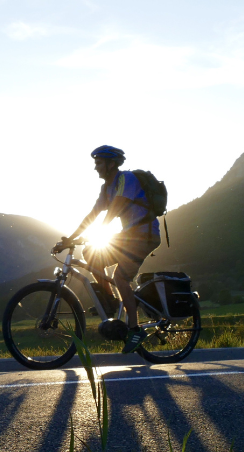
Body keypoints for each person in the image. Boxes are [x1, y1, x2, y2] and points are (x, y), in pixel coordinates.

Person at [59, 145, 161, 354]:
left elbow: (116, 209)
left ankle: (135, 330)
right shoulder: (106, 188)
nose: (96, 167)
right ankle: (111, 303)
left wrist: (100, 232)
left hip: (144, 235)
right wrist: (70, 238)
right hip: (130, 236)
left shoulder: (127, 179)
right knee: (91, 254)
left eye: (99, 163)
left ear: (111, 163)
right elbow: (93, 214)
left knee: (120, 277)